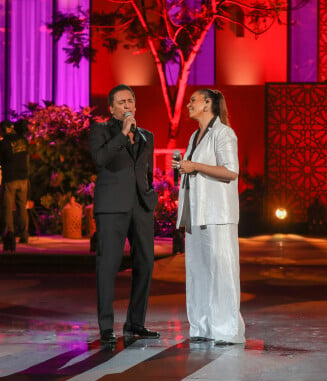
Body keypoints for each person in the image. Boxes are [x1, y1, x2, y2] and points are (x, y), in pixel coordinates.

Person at [172, 88, 245, 345]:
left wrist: (195, 166)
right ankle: (202, 327)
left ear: (208, 103)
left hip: (217, 213)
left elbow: (230, 171)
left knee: (220, 270)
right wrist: (185, 167)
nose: (189, 104)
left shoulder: (224, 133)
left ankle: (226, 330)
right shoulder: (195, 135)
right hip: (196, 212)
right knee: (198, 271)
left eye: (193, 100)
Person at [89, 84, 159, 344]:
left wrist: (150, 195)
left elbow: (146, 170)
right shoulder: (100, 131)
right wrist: (123, 133)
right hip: (111, 207)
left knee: (146, 264)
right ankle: (107, 327)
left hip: (141, 206)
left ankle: (135, 322)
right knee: (108, 266)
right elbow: (100, 159)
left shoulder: (147, 136)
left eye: (130, 100)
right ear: (111, 108)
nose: (127, 105)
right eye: (121, 102)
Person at [0, 119, 29, 244]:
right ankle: (24, 235)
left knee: (7, 208)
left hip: (10, 178)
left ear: (4, 130)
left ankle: (8, 235)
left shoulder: (3, 143)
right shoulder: (23, 140)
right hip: (23, 178)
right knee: (22, 208)